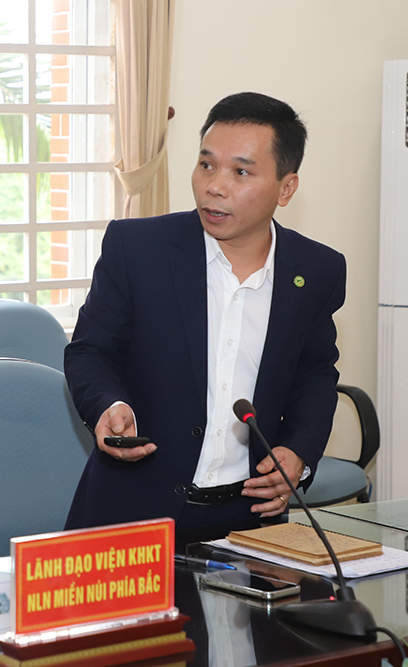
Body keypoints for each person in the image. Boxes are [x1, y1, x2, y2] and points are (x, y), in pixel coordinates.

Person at [64, 92, 346, 545]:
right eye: (207, 165)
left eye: (241, 171)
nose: (215, 186)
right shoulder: (138, 249)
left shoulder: (316, 271)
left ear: (286, 187)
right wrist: (108, 405)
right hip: (133, 510)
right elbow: (91, 351)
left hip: (249, 518)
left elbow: (314, 376)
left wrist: (298, 453)